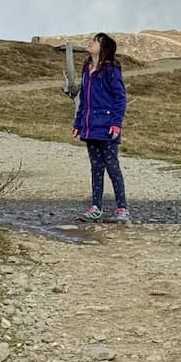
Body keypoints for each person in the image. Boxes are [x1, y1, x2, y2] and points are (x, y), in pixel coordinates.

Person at [71, 32, 129, 223]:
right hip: (90, 128)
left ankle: (122, 209)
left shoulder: (111, 70)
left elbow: (120, 98)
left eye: (96, 41)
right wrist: (78, 124)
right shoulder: (87, 70)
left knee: (113, 168)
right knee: (96, 168)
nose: (91, 42)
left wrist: (116, 123)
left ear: (103, 48)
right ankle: (96, 207)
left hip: (107, 128)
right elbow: (84, 102)